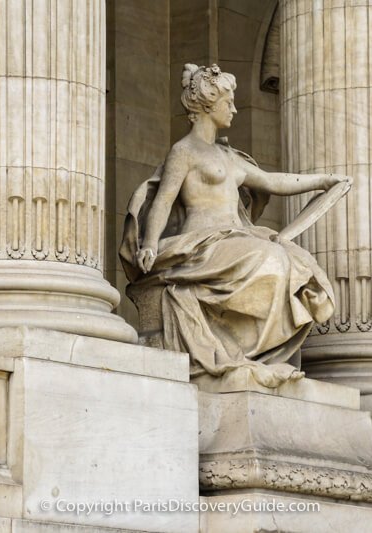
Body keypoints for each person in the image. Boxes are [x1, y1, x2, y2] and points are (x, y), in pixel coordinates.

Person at [120, 63, 349, 387]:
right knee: (270, 258)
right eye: (229, 102)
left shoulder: (230, 156)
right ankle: (241, 355)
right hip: (203, 243)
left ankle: (254, 355)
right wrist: (150, 243)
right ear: (208, 105)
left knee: (296, 265)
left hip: (237, 238)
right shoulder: (184, 151)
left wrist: (323, 181)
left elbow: (273, 181)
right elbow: (163, 200)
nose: (235, 109)